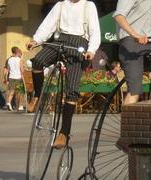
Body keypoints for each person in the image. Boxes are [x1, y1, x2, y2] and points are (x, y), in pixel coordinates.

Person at [26, 0, 100, 149]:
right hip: (60, 41)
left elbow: (95, 30)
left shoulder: (88, 6)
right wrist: (36, 40)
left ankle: (64, 133)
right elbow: (48, 25)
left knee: (72, 90)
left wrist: (91, 50)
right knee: (38, 61)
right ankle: (38, 96)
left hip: (80, 43)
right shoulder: (60, 5)